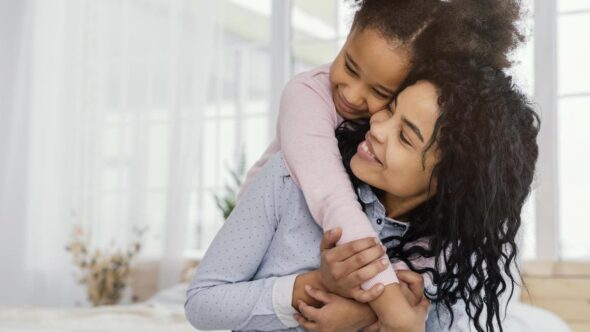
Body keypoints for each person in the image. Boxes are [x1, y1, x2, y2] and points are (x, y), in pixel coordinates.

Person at [185, 59, 540, 332]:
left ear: (450, 184)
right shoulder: (288, 178)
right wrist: (314, 287)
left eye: (406, 137)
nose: (378, 127)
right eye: (390, 107)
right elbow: (203, 302)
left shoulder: (461, 258)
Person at [237, 0, 524, 294]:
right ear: (348, 35)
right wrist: (387, 296)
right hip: (254, 245)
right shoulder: (307, 95)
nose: (351, 94)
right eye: (349, 65)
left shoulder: (397, 136)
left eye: (380, 92)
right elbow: (331, 196)